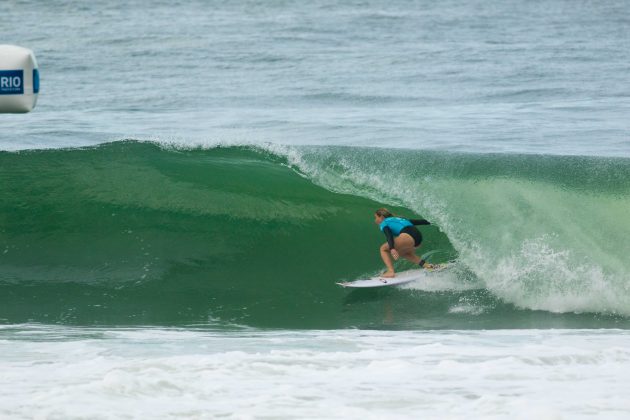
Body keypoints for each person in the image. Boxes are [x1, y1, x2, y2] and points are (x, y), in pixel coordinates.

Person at [374, 208, 433, 277]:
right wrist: (433, 222)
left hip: (408, 236)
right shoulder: (399, 219)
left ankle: (390, 271)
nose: (375, 220)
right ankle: (427, 265)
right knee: (402, 253)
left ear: (381, 217)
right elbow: (420, 222)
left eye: (376, 217)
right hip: (418, 237)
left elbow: (389, 235)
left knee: (383, 249)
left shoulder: (384, 223)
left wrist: (392, 248)